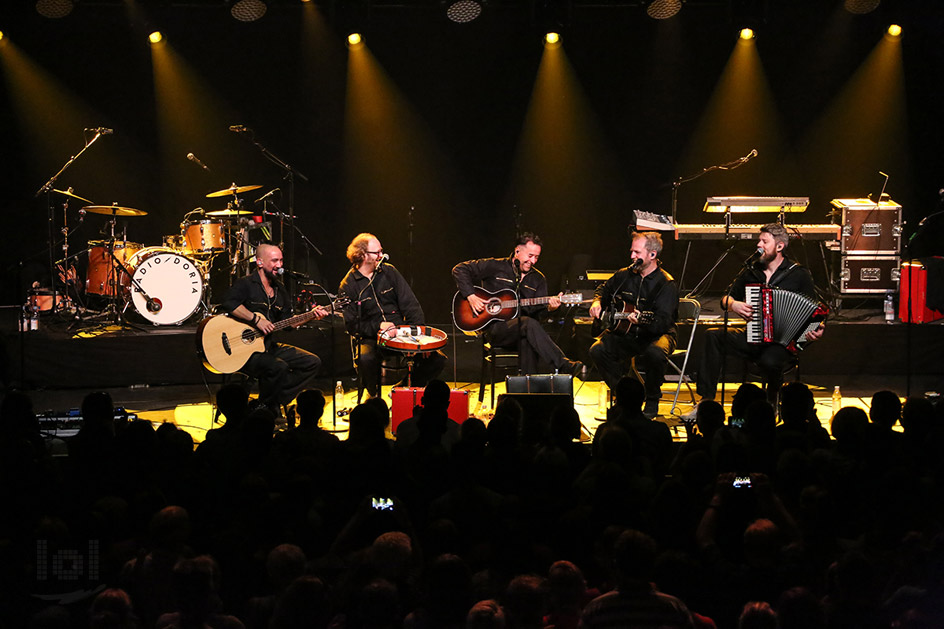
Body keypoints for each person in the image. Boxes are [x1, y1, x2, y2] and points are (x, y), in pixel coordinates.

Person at [695, 223, 825, 406]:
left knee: (770, 360)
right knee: (712, 336)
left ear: (780, 246)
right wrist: (734, 304)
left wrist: (816, 329)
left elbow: (816, 311)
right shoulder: (751, 271)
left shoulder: (798, 274)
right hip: (754, 335)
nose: (759, 245)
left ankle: (772, 405)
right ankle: (706, 400)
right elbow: (725, 299)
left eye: (764, 241)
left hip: (783, 343)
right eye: (759, 241)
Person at [452, 232, 584, 375]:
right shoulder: (496, 266)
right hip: (496, 330)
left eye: (536, 257)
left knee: (527, 335)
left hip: (523, 331)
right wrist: (471, 296)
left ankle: (526, 392)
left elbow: (540, 317)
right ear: (517, 251)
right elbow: (459, 269)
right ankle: (563, 364)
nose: (532, 261)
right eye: (530, 256)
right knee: (527, 324)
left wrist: (551, 309)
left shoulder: (538, 279)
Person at [220, 243, 326, 415]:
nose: (279, 265)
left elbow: (287, 323)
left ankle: (269, 401)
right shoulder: (246, 284)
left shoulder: (280, 290)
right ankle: (269, 406)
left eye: (281, 260)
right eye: (274, 260)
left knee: (312, 362)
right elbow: (229, 304)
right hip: (242, 350)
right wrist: (255, 319)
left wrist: (311, 315)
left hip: (268, 346)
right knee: (278, 367)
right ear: (260, 262)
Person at [339, 233, 445, 398]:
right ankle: (372, 395)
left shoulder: (390, 272)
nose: (382, 256)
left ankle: (401, 390)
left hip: (399, 332)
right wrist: (377, 327)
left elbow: (411, 305)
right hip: (371, 337)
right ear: (362, 255)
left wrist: (419, 334)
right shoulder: (348, 285)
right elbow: (352, 324)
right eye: (377, 253)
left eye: (381, 251)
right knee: (365, 359)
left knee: (436, 358)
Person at [589, 231, 678, 418]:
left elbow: (662, 322)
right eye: (632, 251)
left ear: (652, 255)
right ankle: (626, 396)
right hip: (628, 334)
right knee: (597, 350)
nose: (632, 256)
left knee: (655, 352)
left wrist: (643, 322)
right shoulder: (625, 275)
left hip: (657, 334)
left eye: (637, 252)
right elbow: (603, 290)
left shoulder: (666, 284)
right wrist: (597, 302)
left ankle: (652, 399)